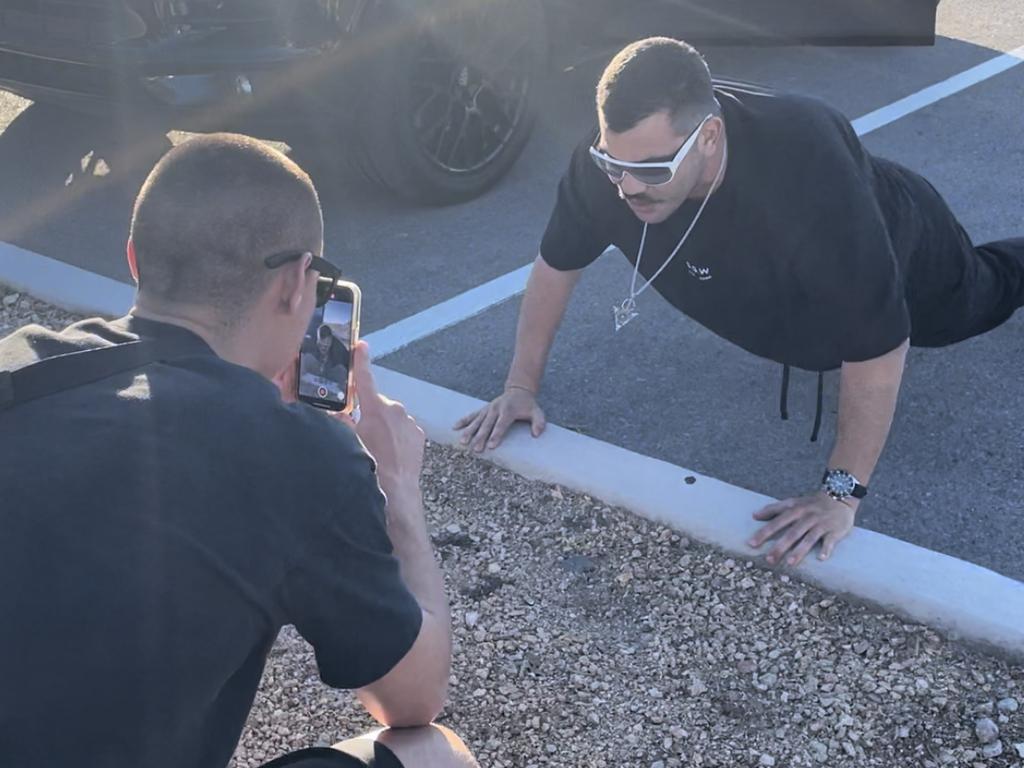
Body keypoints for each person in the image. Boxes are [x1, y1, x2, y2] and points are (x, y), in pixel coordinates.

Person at [0, 134, 476, 768]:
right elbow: (412, 697)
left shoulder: (21, 362)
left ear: (135, 260)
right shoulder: (296, 456)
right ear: (295, 285)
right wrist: (398, 487)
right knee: (432, 756)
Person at [456, 37, 1024, 568]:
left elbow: (880, 343)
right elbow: (556, 265)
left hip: (900, 244)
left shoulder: (805, 167)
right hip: (796, 285)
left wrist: (840, 494)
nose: (627, 187)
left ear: (708, 137)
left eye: (651, 169)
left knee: (982, 296)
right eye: (614, 163)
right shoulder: (608, 167)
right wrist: (519, 388)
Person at [299, 324, 350, 398]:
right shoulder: (309, 342)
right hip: (315, 371)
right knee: (306, 358)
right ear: (317, 339)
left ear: (331, 340)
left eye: (326, 346)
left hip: (333, 372)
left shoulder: (339, 351)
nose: (323, 347)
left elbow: (347, 369)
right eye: (321, 345)